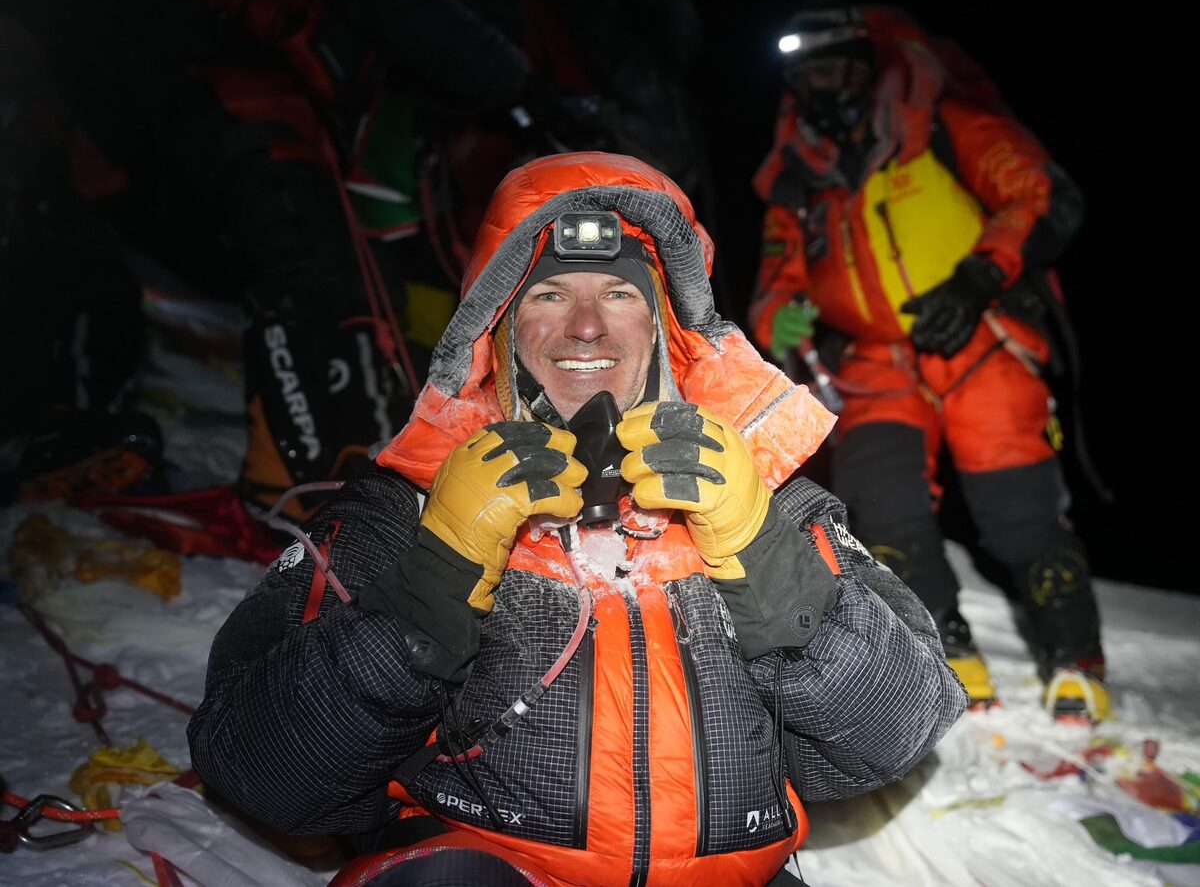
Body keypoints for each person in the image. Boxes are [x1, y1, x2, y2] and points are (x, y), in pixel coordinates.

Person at [187, 151, 967, 886]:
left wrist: (767, 553)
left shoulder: (765, 493)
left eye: (620, 294)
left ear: (665, 326)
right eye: (550, 295)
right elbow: (259, 771)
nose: (586, 326)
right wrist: (433, 583)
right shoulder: (411, 506)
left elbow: (894, 734)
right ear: (498, 325)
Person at [748, 0, 1106, 720]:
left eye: (841, 71)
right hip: (872, 363)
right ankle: (943, 644)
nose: (828, 91)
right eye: (811, 79)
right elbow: (774, 280)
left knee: (1018, 509)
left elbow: (1037, 192)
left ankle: (1075, 656)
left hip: (980, 339)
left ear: (873, 68)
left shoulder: (943, 123)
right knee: (883, 508)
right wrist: (775, 319)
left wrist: (979, 278)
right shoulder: (797, 179)